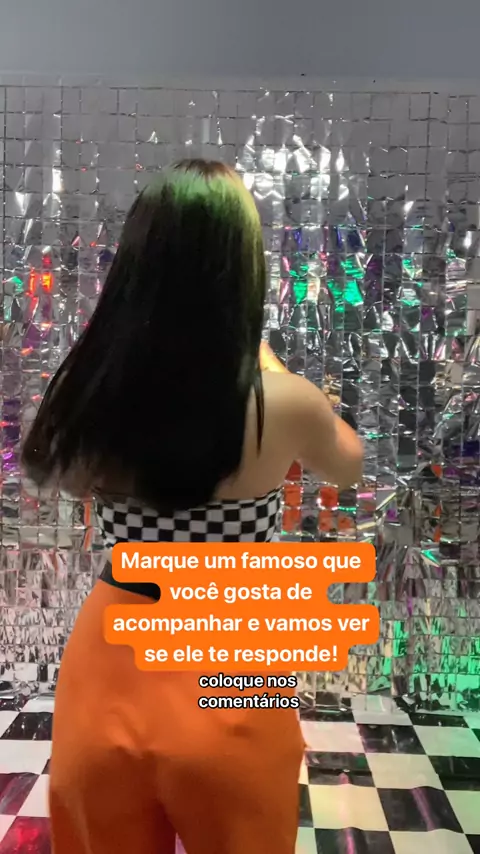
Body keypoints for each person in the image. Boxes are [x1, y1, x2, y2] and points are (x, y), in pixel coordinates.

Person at [21, 159, 363, 854]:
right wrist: (259, 356)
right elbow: (348, 465)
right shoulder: (286, 402)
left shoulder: (88, 397)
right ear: (243, 269)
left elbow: (65, 478)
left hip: (108, 664)